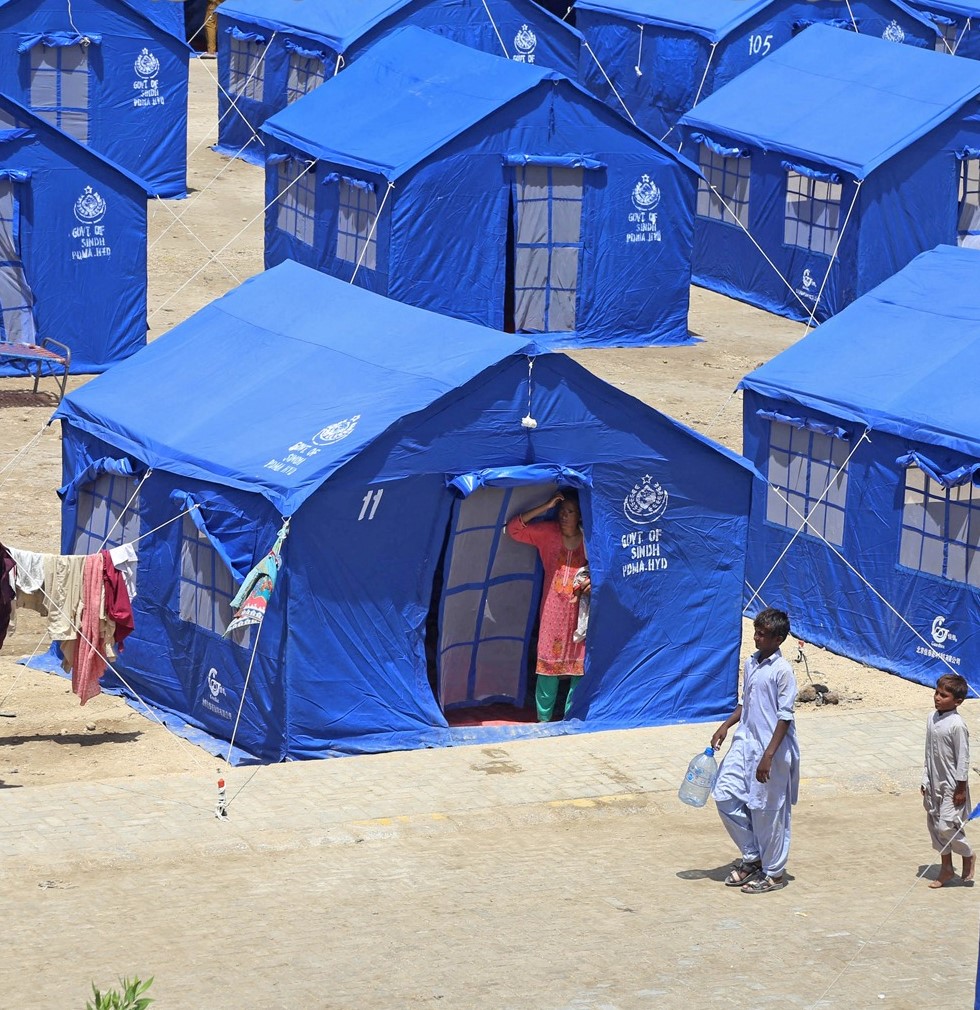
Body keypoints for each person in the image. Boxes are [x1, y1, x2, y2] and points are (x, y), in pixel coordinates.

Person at [710, 607, 800, 894]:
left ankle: (773, 872)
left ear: (779, 639)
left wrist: (769, 756)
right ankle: (753, 855)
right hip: (744, 744)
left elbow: (785, 717)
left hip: (770, 750)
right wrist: (726, 726)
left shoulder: (783, 671)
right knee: (724, 794)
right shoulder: (751, 663)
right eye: (756, 633)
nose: (757, 639)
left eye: (763, 635)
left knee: (767, 811)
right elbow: (745, 702)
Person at [506, 488, 590, 722]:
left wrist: (592, 579)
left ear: (580, 516)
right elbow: (513, 529)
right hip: (552, 609)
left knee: (578, 666)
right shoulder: (548, 534)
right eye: (561, 511)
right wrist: (545, 507)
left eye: (570, 511)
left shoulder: (588, 540)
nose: (564, 516)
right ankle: (543, 721)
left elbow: (605, 566)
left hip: (578, 612)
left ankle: (571, 717)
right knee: (547, 665)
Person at [922, 673, 974, 888]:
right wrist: (925, 778)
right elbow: (927, 752)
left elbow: (963, 758)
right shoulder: (931, 718)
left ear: (957, 701)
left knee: (947, 825)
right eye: (937, 693)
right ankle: (946, 868)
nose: (937, 698)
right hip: (934, 780)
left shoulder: (957, 725)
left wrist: (961, 787)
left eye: (943, 695)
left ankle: (968, 854)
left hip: (953, 784)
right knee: (934, 825)